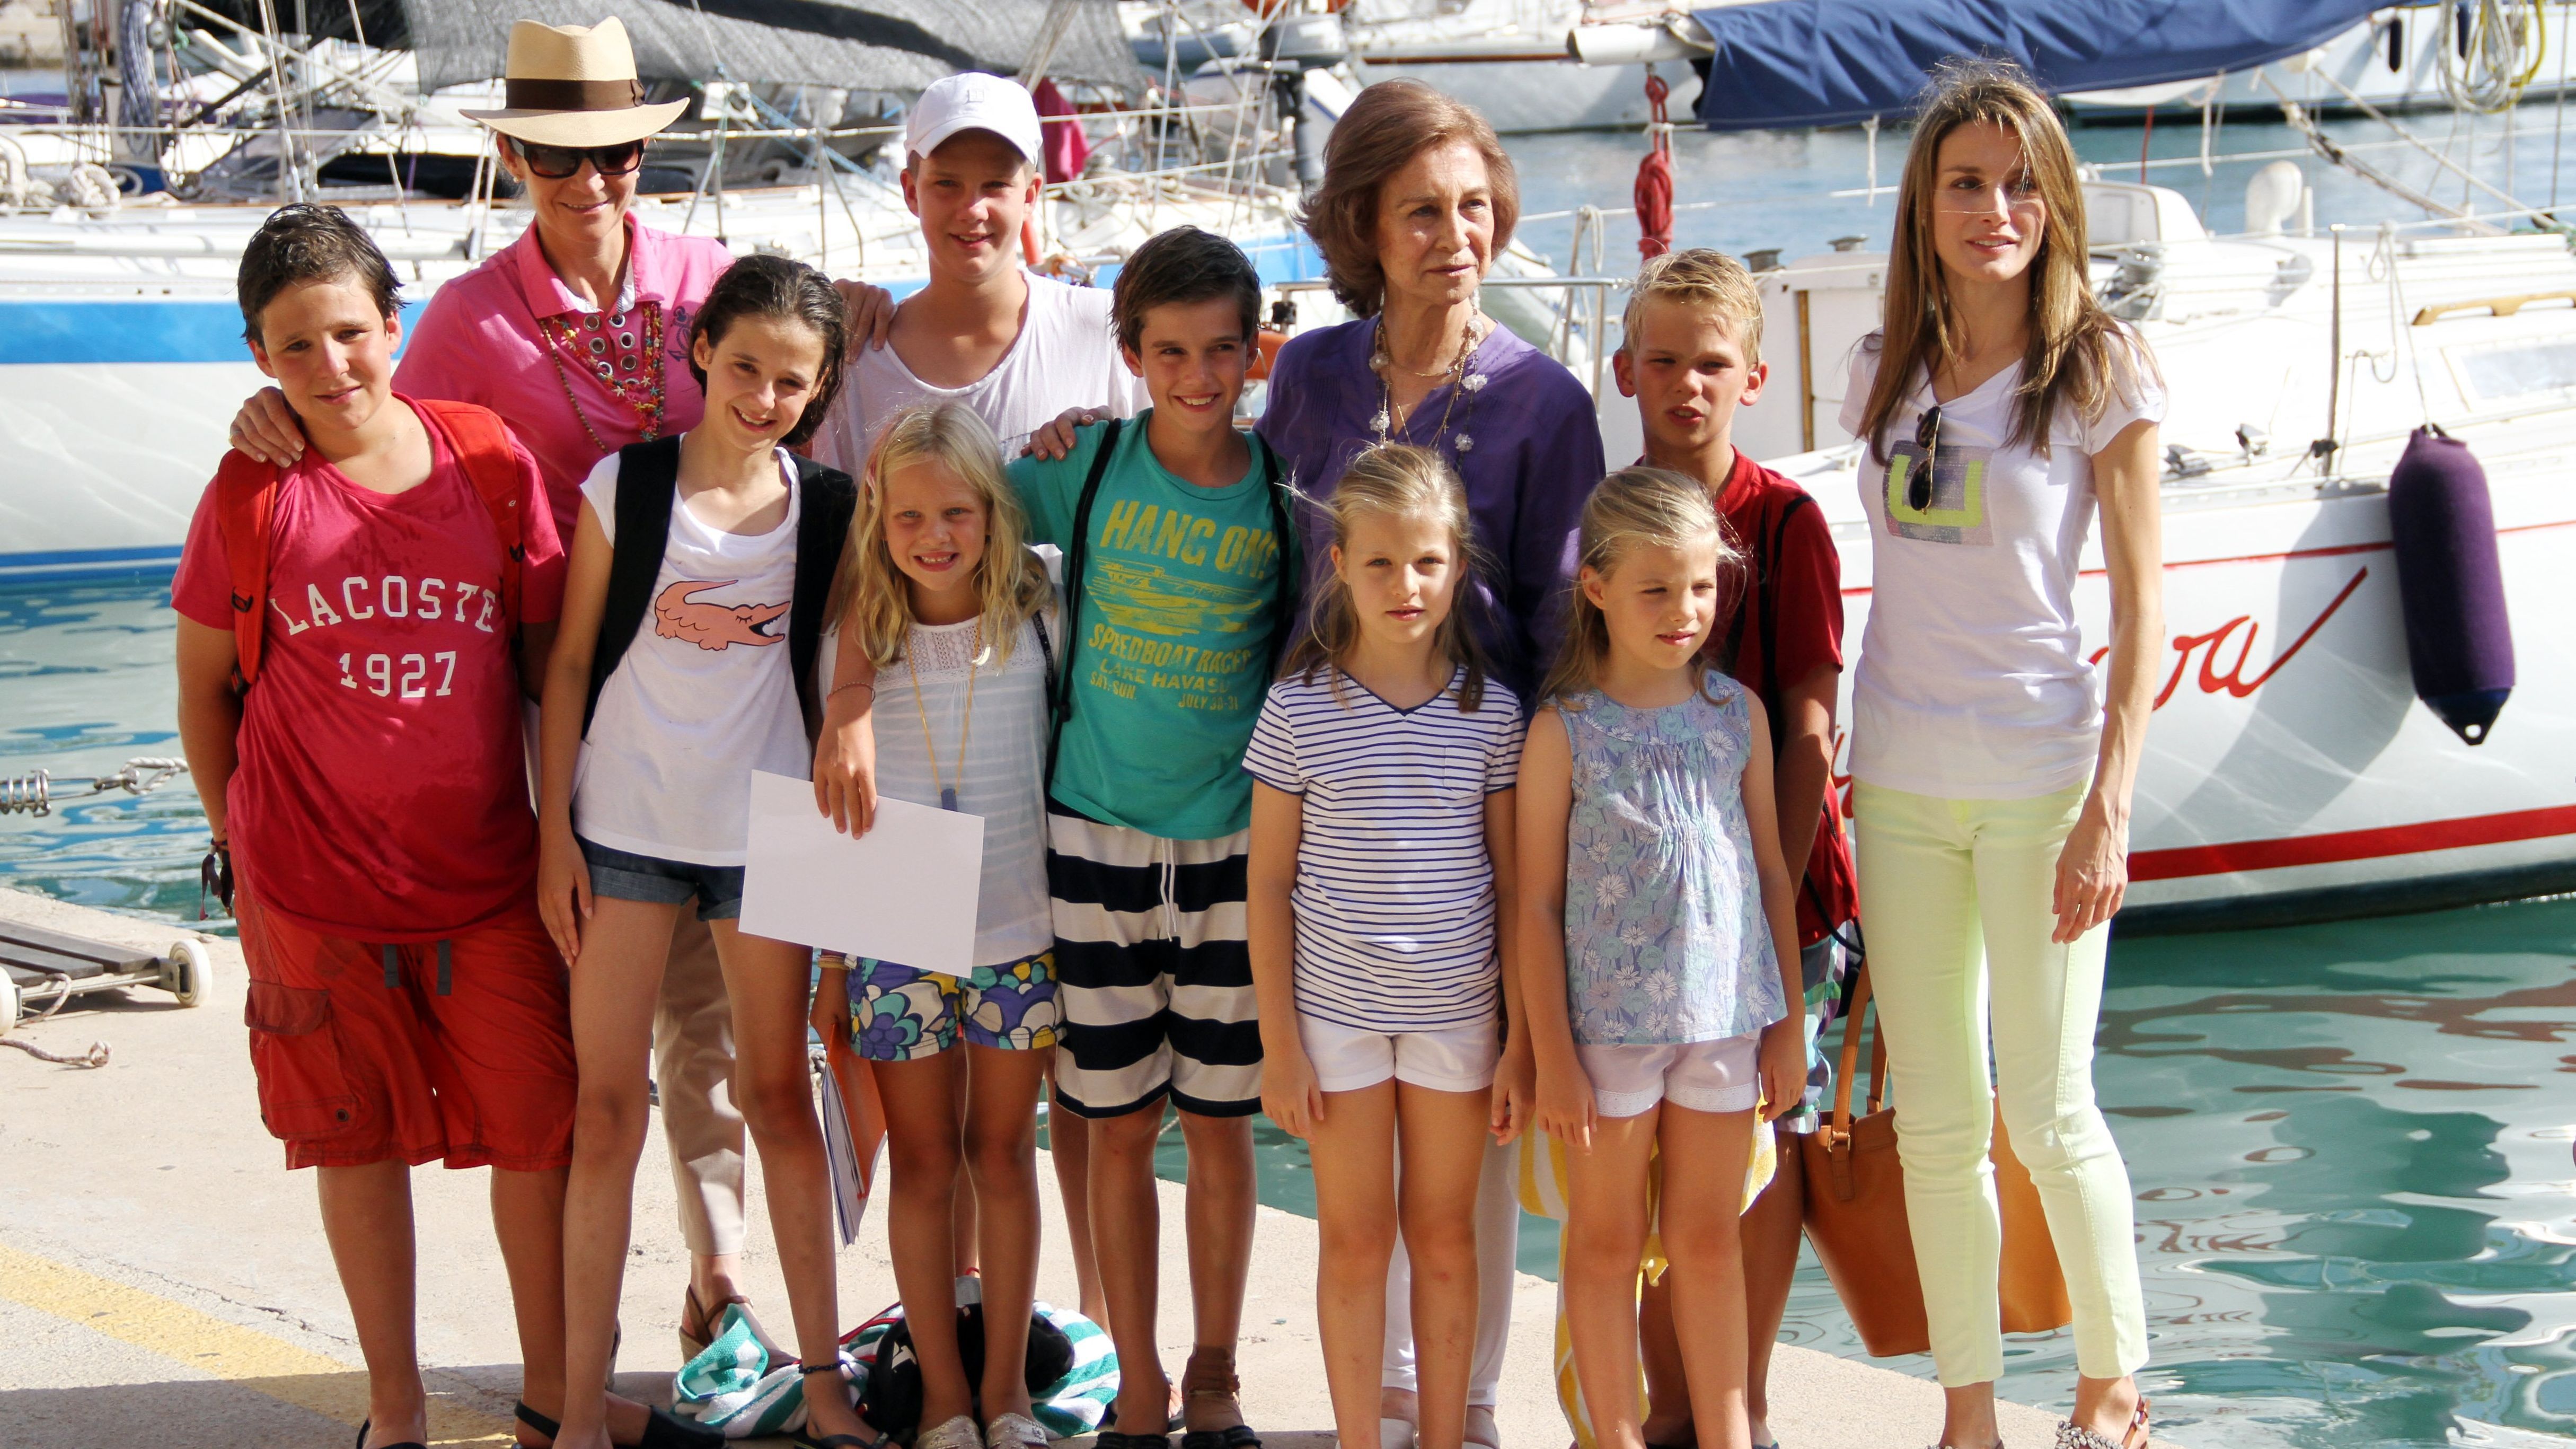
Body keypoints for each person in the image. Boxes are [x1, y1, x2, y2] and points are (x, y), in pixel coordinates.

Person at [222, 19, 762, 1363]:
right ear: (510, 154)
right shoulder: (460, 322)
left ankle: (726, 1281)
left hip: (740, 717)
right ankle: (576, 1361)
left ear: (651, 151)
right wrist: (271, 423)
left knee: (734, 1035)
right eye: (555, 155)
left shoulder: (718, 278)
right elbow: (367, 435)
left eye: (621, 152)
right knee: (598, 1058)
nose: (592, 181)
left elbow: (811, 407)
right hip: (570, 723)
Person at [171, 203, 702, 1449]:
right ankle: (395, 1410)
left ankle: (554, 1394)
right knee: (352, 1145)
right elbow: (203, 686)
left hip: (486, 878)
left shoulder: (487, 459)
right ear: (258, 355)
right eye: (294, 346)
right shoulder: (250, 488)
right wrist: (237, 848)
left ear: (394, 326)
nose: (329, 366)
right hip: (311, 888)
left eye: (349, 332)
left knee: (542, 1132)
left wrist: (570, 831)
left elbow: (545, 666)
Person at [1252, 82, 1602, 1442]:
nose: (1453, 235)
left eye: (1472, 207)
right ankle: (1374, 1405)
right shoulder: (1313, 376)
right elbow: (1276, 558)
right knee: (1355, 1154)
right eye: (1420, 211)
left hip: (1483, 780)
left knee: (1469, 1142)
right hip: (1331, 766)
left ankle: (1466, 1401)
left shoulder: (1547, 399)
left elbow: (1567, 620)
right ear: (1363, 224)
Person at [1841, 59, 2162, 1449]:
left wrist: (2110, 806)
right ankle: (1965, 1408)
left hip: (2039, 779)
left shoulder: (2098, 365)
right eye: (1965, 183)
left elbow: (2148, 609)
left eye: (2019, 183)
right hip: (1899, 784)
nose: (1994, 208)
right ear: (1925, 203)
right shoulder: (1881, 365)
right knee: (1932, 1120)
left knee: (2045, 1107)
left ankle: (2109, 1384)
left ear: (2055, 202)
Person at [808, 71, 1149, 1330]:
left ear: (1035, 188)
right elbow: (844, 558)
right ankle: (943, 1332)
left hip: (1058, 761)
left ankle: (1100, 1338)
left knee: (1069, 1100)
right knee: (928, 1116)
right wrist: (845, 697)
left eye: (994, 181)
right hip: (908, 757)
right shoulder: (860, 359)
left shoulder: (1096, 327)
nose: (971, 208)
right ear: (907, 191)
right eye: (944, 182)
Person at [532, 256, 871, 1449]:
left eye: (793, 380)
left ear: (820, 388)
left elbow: (859, 642)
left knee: (779, 1096)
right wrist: (552, 837)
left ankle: (825, 1382)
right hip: (621, 833)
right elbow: (569, 664)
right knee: (606, 1112)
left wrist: (856, 714)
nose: (764, 394)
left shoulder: (829, 506)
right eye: (745, 366)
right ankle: (578, 1407)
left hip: (763, 841)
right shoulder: (625, 486)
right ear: (701, 354)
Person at [1004, 224, 1293, 1449]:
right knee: (1115, 1125)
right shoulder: (1093, 460)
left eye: (1220, 350)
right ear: (1127, 353)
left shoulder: (1286, 485)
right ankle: (1138, 1375)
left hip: (1232, 847)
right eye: (1168, 351)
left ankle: (1216, 1367)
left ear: (1254, 353)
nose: (1196, 375)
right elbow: (946, 512)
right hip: (1096, 836)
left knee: (1222, 1126)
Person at [1610, 248, 1859, 1449]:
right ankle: (1661, 1407)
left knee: (1756, 1151)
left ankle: (1734, 1405)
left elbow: (1810, 725)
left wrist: (1771, 913)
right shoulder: (1603, 524)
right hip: (1630, 907)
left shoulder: (1787, 520)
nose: (1687, 384)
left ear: (1753, 374)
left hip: (1770, 896)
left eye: (1712, 363)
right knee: (1650, 1164)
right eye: (1664, 361)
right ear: (1625, 373)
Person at [1516, 468, 1806, 1449]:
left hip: (1725, 1019)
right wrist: (1550, 1050)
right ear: (1596, 586)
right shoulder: (1564, 731)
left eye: (1699, 586)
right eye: (1656, 588)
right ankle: (1617, 1436)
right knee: (1601, 1245)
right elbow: (1536, 902)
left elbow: (1771, 873)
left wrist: (1789, 1025)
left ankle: (1728, 1435)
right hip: (1605, 1040)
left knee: (1707, 1239)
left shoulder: (1738, 715)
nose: (1685, 611)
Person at [1243, 443, 1525, 1449]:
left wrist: (1520, 1042)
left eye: (1427, 563)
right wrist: (1279, 1043)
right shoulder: (1298, 708)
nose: (1404, 586)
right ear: (1339, 565)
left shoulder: (1492, 714)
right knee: (1357, 1239)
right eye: (1380, 564)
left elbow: (1515, 891)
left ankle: (1447, 1436)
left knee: (1447, 1238)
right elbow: (1267, 885)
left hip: (1457, 1017)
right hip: (1335, 1021)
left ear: (1459, 567)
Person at [809, 402, 1061, 1449]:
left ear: (991, 512)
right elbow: (834, 809)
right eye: (908, 515)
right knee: (923, 1161)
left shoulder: (1045, 601)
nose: (935, 535)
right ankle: (945, 1396)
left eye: (956, 510)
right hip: (895, 926)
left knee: (1003, 1154)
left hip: (1019, 926)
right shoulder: (857, 639)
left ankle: (1007, 1389)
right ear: (880, 520)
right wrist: (830, 960)